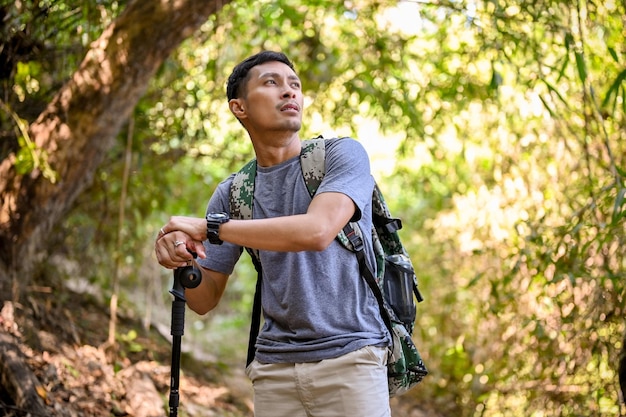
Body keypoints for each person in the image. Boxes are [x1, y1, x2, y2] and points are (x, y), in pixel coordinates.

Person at [154, 51, 391, 417]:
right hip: (273, 372)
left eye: (294, 85)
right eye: (271, 83)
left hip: (352, 361)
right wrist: (182, 255)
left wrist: (211, 228)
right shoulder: (234, 193)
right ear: (239, 107)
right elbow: (203, 299)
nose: (289, 92)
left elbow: (317, 230)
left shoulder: (342, 156)